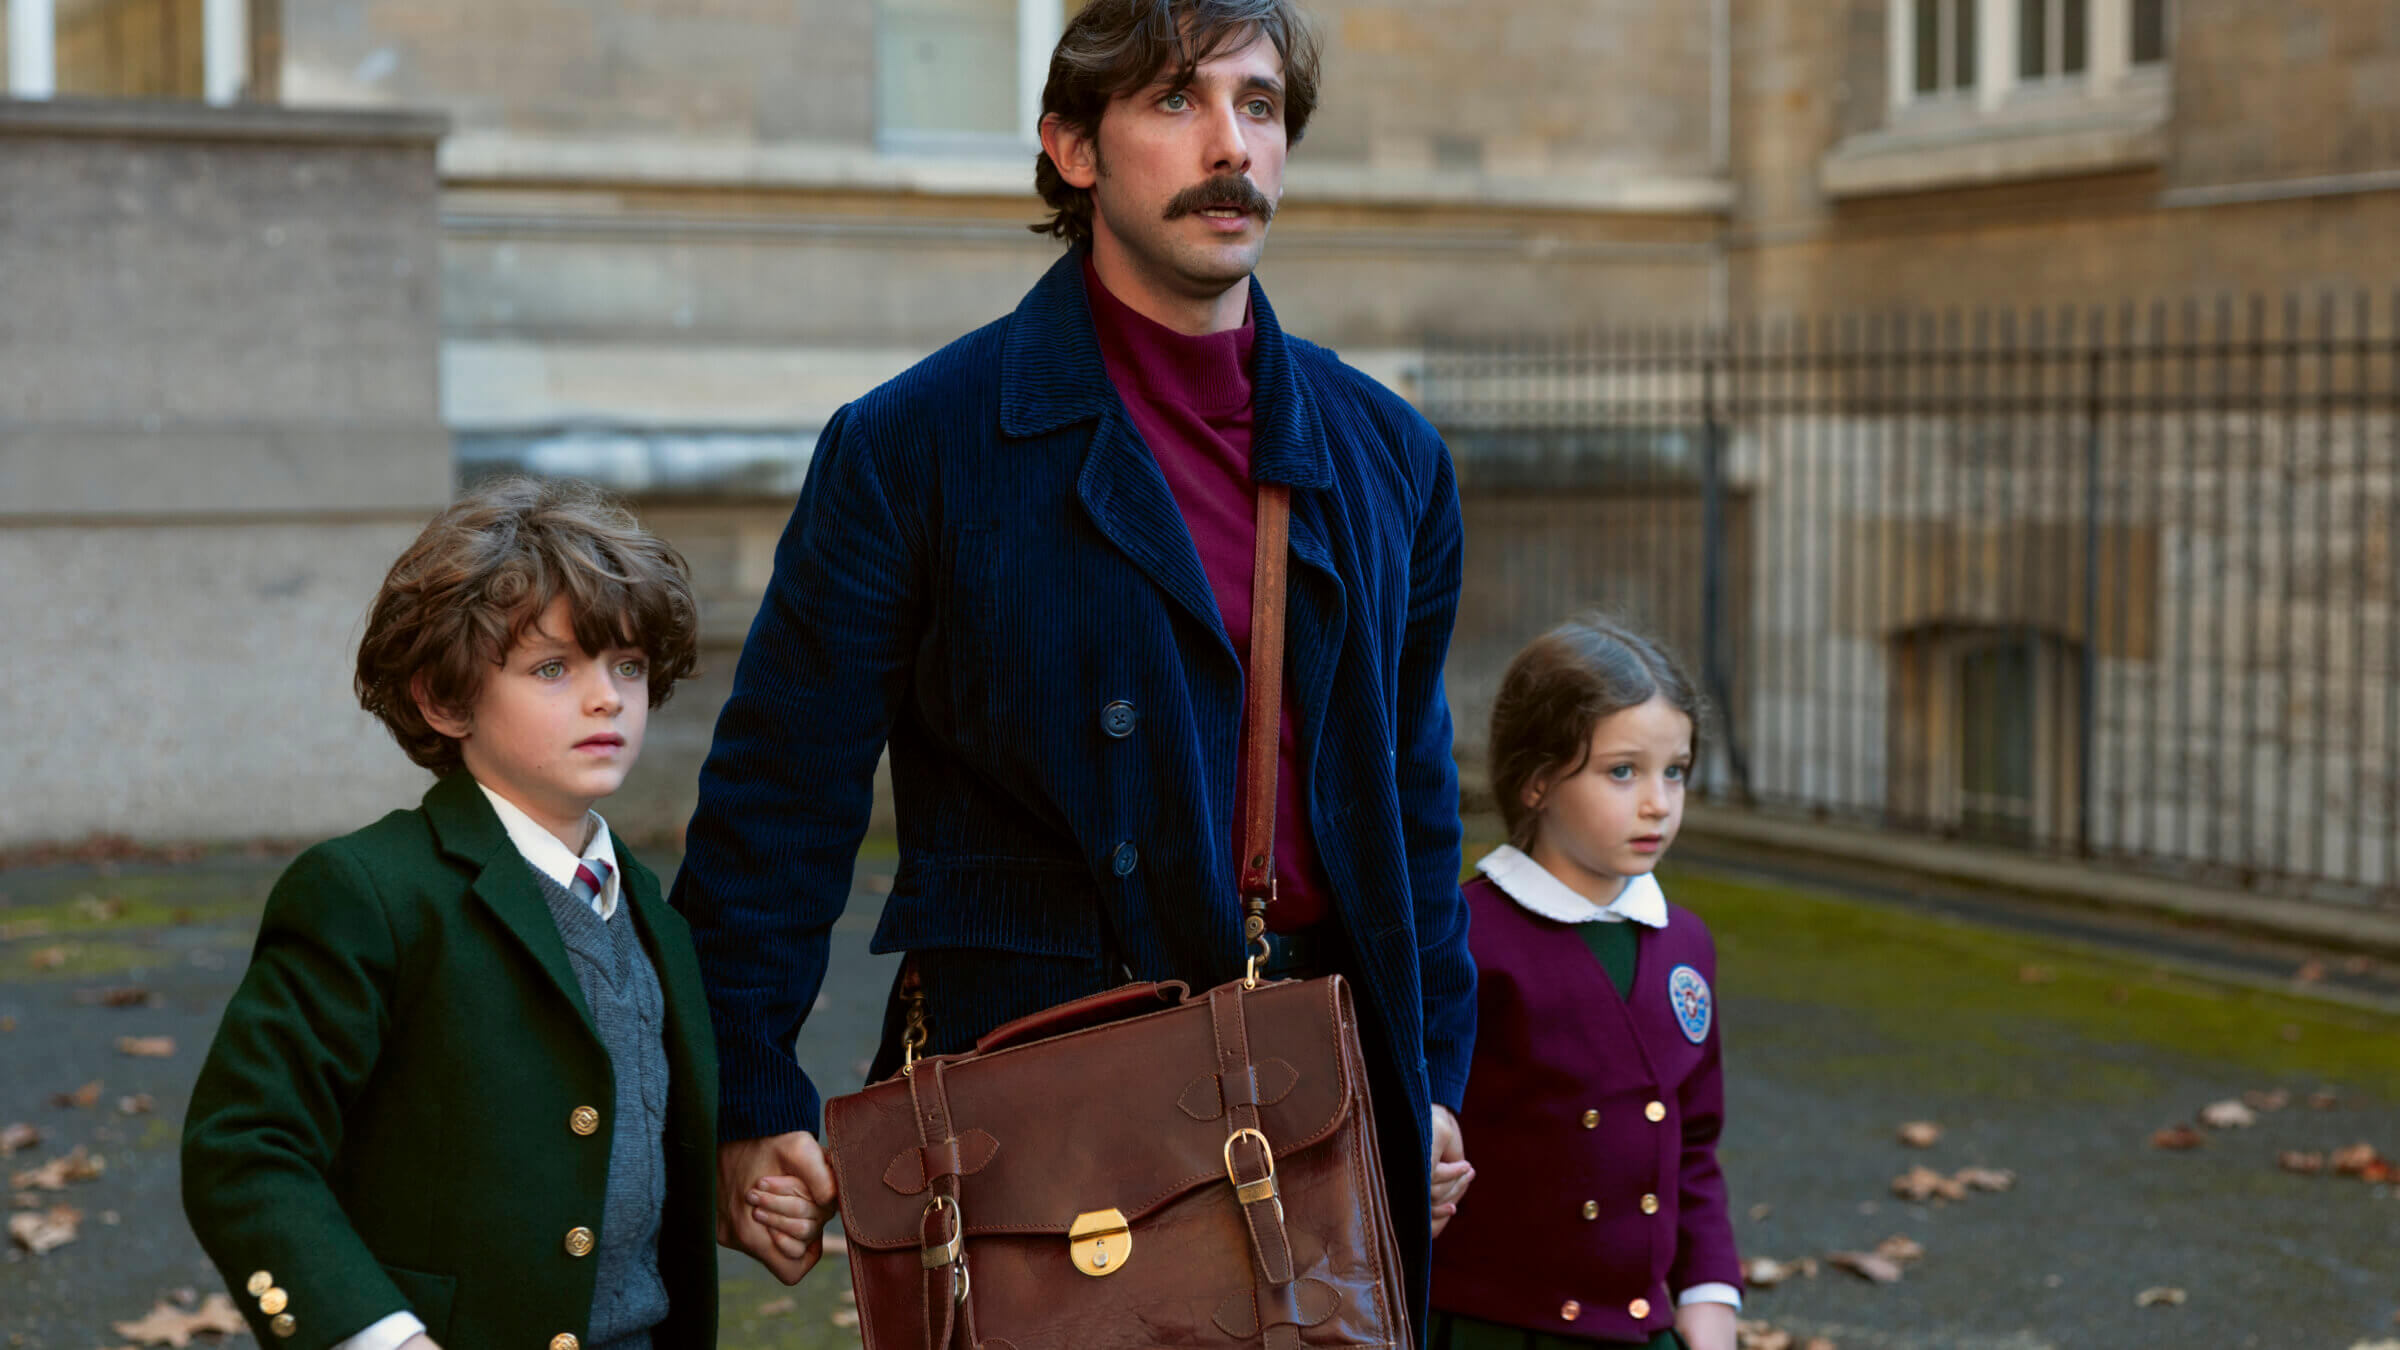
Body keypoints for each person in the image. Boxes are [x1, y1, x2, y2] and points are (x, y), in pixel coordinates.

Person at [671, 0, 1477, 1323]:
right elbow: (783, 793)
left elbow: (1416, 800)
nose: (1232, 145)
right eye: (1176, 101)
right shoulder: (915, 447)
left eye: (1260, 105)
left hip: (1316, 1106)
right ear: (1072, 147)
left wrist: (1434, 1071)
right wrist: (747, 1092)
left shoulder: (1388, 457)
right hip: (1038, 1113)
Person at [181, 478, 719, 1350]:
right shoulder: (370, 892)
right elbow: (244, 1150)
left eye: (626, 665)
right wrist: (378, 1337)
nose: (607, 698)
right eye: (554, 668)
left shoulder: (651, 909)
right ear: (444, 698)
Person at [1428, 616, 1743, 1350]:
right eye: (1622, 771)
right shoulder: (1462, 936)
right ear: (1538, 779)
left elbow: (1693, 1142)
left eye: (1677, 771)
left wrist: (1709, 1296)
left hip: (1642, 1328)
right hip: (1492, 1326)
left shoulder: (1685, 943)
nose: (1658, 803)